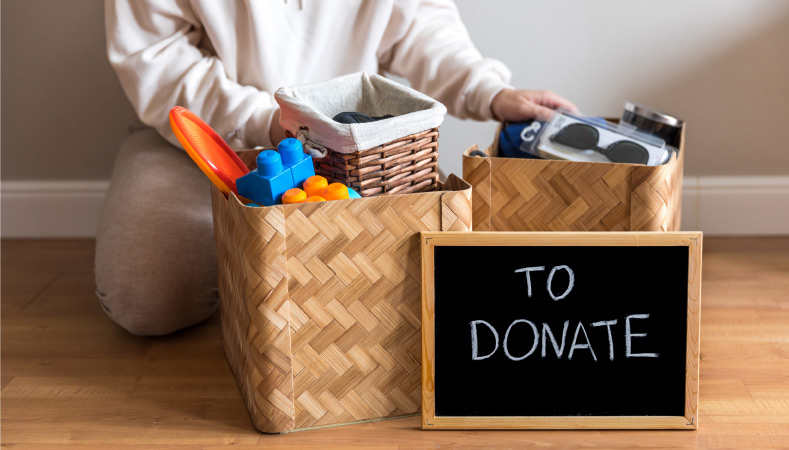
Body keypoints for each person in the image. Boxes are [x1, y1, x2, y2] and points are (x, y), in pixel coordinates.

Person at [98, 0, 578, 336]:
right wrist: (269, 123)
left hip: (359, 142)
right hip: (208, 134)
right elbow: (155, 55)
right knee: (147, 292)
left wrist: (488, 91)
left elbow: (419, 24)